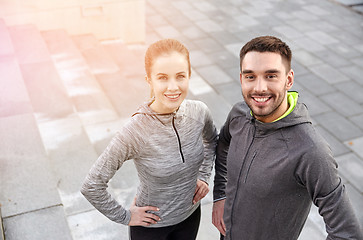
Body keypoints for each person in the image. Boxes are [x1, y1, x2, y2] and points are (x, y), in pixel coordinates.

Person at [212, 36, 363, 240]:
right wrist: (220, 194)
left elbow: (347, 233)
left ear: (288, 80)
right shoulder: (239, 114)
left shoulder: (310, 150)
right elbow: (223, 145)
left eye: (270, 76)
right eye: (250, 76)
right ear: (241, 79)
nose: (259, 88)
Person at [81, 39, 217, 240]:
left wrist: (204, 176)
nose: (173, 87)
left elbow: (212, 141)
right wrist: (125, 216)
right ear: (149, 80)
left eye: (180, 76)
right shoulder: (135, 132)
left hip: (190, 217)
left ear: (189, 75)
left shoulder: (199, 112)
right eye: (162, 77)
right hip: (151, 229)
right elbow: (91, 185)